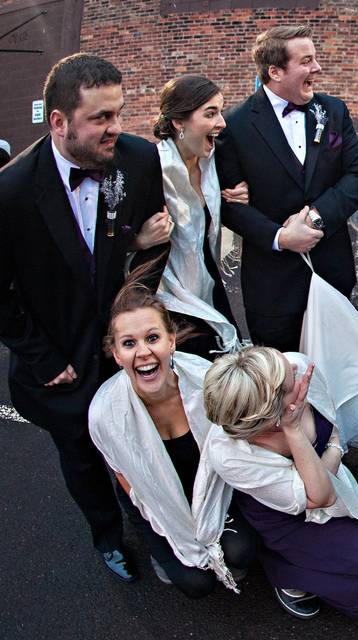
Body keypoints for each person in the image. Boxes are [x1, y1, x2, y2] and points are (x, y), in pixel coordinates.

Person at [0, 53, 170, 582]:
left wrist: (132, 324)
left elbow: (156, 241)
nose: (116, 128)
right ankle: (107, 536)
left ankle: (162, 531)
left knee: (147, 444)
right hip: (62, 363)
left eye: (118, 113)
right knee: (82, 458)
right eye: (101, 118)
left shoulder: (138, 160)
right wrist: (44, 359)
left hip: (128, 352)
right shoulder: (10, 192)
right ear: (59, 122)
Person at [202, 346, 358, 629]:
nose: (295, 370)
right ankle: (288, 573)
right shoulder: (230, 455)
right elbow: (321, 496)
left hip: (328, 483)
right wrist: (296, 432)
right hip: (291, 520)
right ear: (270, 415)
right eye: (289, 381)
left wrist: (332, 451)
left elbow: (333, 428)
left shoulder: (298, 368)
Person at [89, 276, 257, 597]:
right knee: (196, 585)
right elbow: (125, 477)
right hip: (154, 499)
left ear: (171, 341)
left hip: (208, 487)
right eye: (129, 343)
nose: (143, 352)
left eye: (152, 338)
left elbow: (236, 444)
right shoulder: (103, 414)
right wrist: (167, 527)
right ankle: (162, 551)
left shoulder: (206, 380)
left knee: (241, 553)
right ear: (115, 354)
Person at [215, 25, 358, 351]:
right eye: (307, 61)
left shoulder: (332, 111)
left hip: (332, 273)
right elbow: (230, 204)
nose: (317, 68)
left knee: (337, 373)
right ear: (274, 71)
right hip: (272, 285)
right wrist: (281, 237)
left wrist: (317, 217)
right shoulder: (235, 125)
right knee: (281, 382)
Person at [154, 74, 249, 356]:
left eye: (220, 111)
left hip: (211, 284)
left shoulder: (214, 163)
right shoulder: (153, 169)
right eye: (210, 114)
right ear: (178, 122)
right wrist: (138, 240)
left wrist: (244, 192)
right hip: (169, 298)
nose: (222, 123)